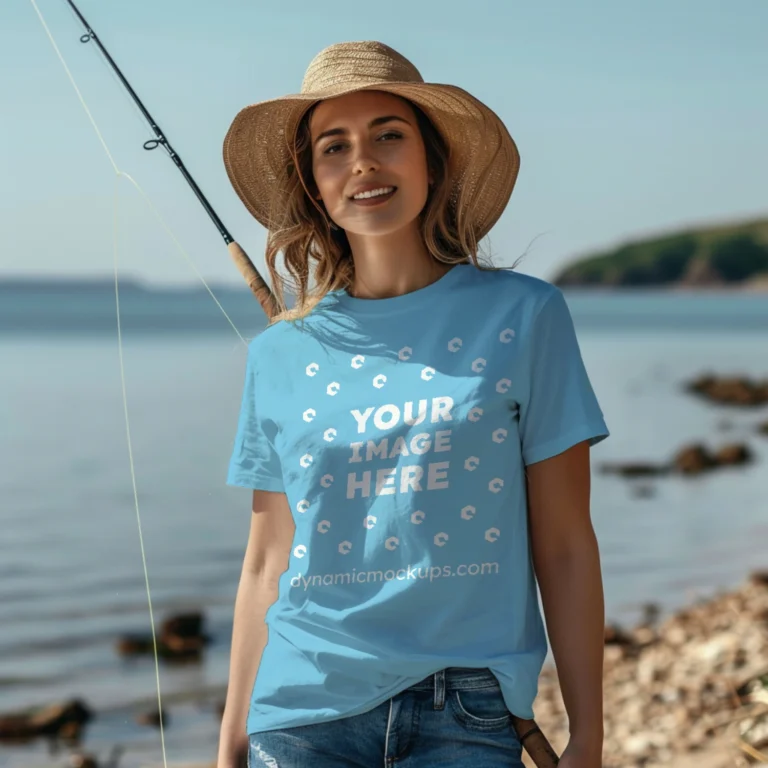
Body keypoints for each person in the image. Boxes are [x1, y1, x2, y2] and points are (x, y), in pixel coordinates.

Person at [217, 41, 609, 768]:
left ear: (432, 159)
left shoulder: (524, 317)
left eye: (388, 135)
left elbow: (564, 543)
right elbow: (265, 563)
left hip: (467, 709)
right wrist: (231, 742)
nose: (363, 162)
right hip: (300, 711)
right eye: (335, 147)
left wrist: (589, 732)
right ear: (315, 184)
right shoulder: (277, 354)